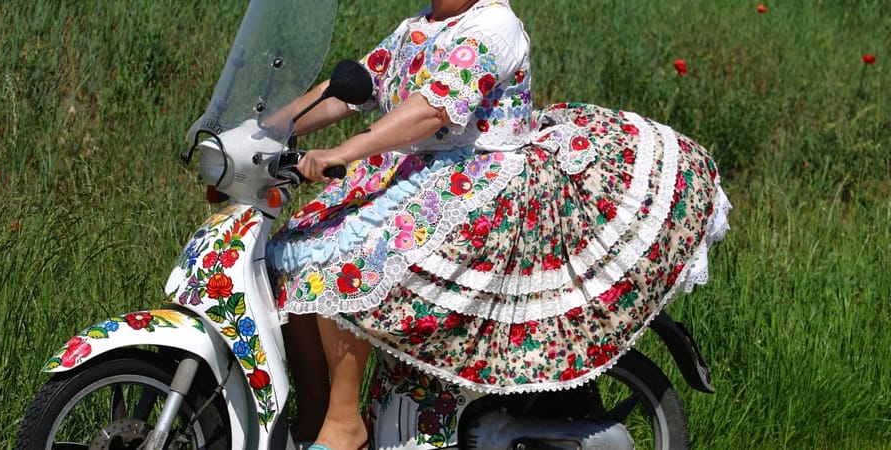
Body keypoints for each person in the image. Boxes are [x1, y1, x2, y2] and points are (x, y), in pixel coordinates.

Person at [266, 1, 732, 449]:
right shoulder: (416, 28)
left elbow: (434, 109)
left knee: (352, 262)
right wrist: (270, 127)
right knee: (295, 247)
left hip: (479, 185)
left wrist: (343, 152)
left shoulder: (493, 26)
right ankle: (315, 414)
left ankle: (345, 427)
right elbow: (351, 91)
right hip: (419, 175)